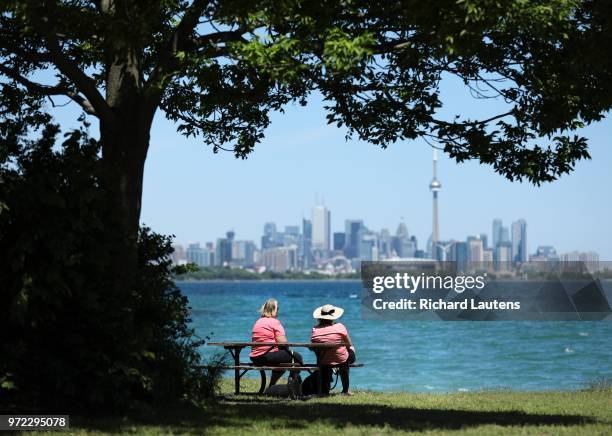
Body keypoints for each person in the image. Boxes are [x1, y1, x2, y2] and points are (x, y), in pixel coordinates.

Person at [250, 298, 303, 388]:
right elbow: (282, 342)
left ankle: (272, 385)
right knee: (297, 357)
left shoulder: (258, 321)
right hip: (266, 356)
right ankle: (293, 383)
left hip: (255, 357)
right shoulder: (274, 322)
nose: (278, 311)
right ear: (272, 310)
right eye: (277, 308)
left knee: (283, 358)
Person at [310, 303, 356, 395]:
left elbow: (314, 347)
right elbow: (349, 344)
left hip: (324, 361)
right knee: (351, 349)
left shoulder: (315, 330)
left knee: (324, 356)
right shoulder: (339, 327)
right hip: (341, 360)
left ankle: (324, 390)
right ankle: (345, 390)